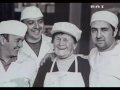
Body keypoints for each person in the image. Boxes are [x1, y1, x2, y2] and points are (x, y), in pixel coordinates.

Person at [33, 22, 90, 87]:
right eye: (58, 39)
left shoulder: (85, 64)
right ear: (53, 43)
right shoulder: (46, 63)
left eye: (65, 40)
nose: (61, 43)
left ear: (74, 45)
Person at [18, 6, 53, 86]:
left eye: (40, 21)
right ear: (23, 25)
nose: (37, 26)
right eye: (31, 23)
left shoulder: (53, 44)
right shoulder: (16, 47)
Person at [0, 20, 36, 87]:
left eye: (22, 41)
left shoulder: (29, 63)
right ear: (2, 40)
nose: (21, 45)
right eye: (17, 40)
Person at [89, 10, 120, 87]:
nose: (98, 35)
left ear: (115, 31)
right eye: (94, 30)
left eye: (104, 30)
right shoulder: (93, 53)